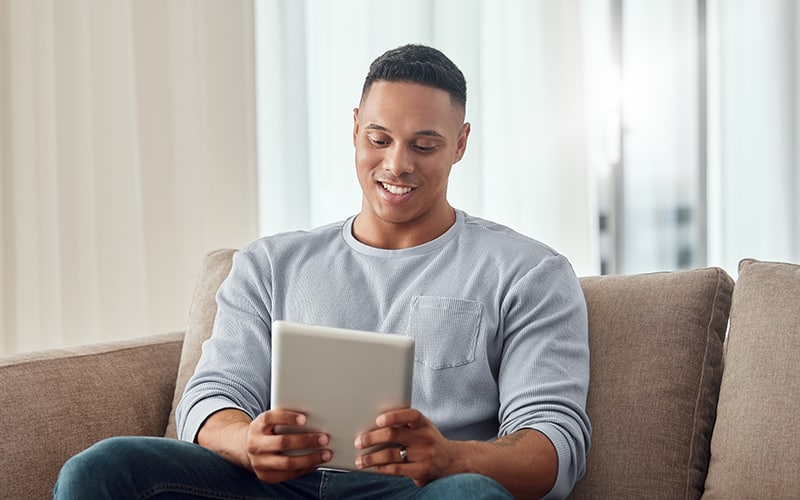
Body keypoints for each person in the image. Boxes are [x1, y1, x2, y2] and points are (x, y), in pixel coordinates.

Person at [55, 44, 591, 499]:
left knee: (473, 494)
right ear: (355, 128)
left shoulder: (529, 272)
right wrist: (248, 442)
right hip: (276, 485)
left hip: (420, 490)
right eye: (379, 139)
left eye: (424, 145)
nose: (397, 164)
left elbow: (553, 444)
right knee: (100, 470)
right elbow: (211, 395)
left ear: (460, 144)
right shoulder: (269, 264)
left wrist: (449, 458)